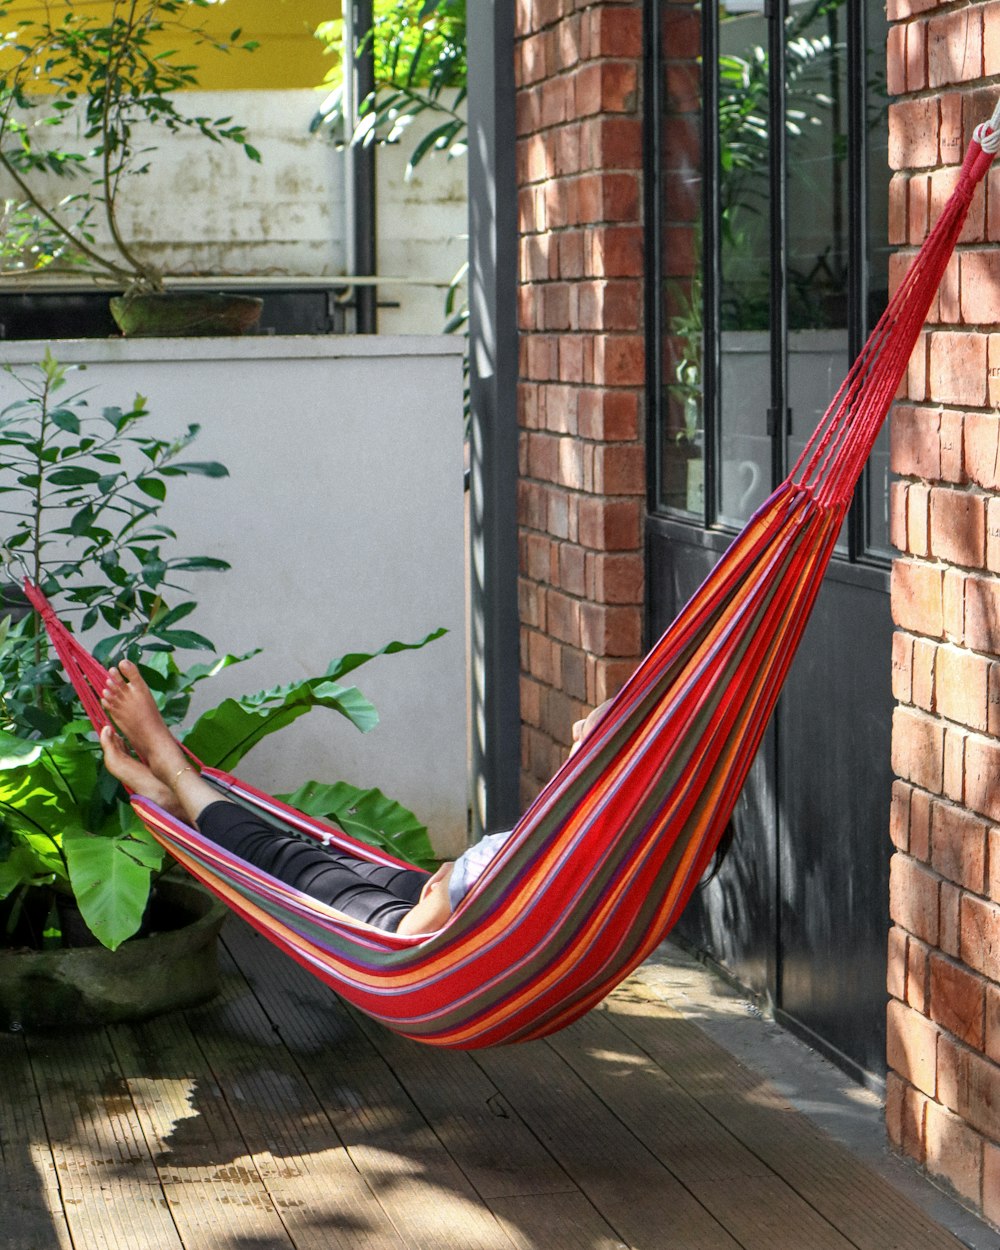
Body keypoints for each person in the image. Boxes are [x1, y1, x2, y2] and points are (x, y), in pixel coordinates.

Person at [99, 659, 611, 937]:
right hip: (442, 898)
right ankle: (180, 801)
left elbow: (448, 913)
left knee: (281, 859)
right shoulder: (603, 826)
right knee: (323, 856)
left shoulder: (589, 829)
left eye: (598, 725)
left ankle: (172, 768)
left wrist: (436, 900)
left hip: (416, 928)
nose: (579, 724)